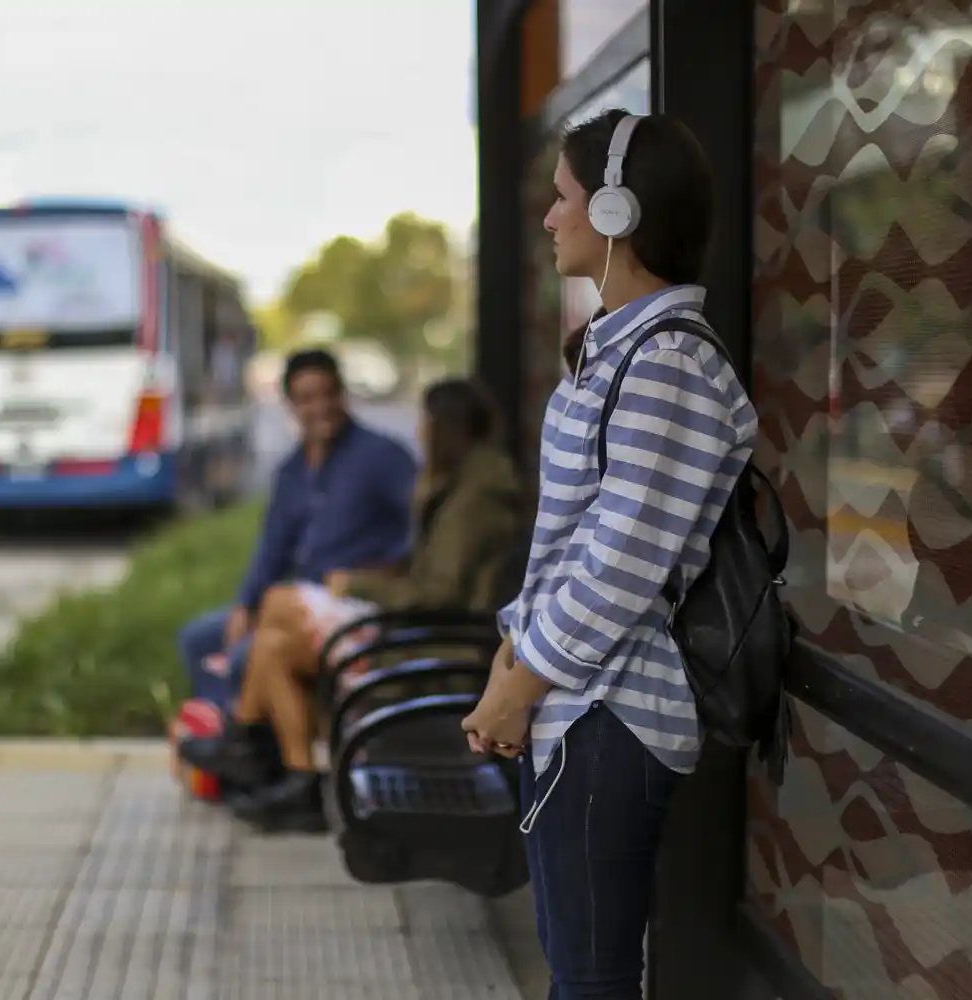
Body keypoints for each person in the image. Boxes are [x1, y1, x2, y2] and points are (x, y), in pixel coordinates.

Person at [459, 109, 757, 999]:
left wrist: (520, 681)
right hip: (577, 701)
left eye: (562, 198)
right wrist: (512, 661)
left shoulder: (664, 363)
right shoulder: (621, 351)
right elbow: (575, 543)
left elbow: (621, 561)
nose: (550, 219)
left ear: (619, 210)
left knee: (591, 976)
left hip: (609, 713)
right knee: (576, 963)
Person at [180, 378, 525, 831]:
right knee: (270, 640)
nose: (419, 432)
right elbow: (275, 547)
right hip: (417, 625)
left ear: (447, 428)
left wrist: (360, 586)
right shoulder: (461, 483)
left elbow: (440, 591)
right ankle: (295, 778)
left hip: (435, 644)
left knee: (278, 613)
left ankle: (245, 742)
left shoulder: (475, 497)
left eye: (425, 421)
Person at [177, 348, 416, 731]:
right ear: (290, 404)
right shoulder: (291, 471)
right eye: (307, 398)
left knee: (244, 656)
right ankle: (227, 739)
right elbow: (272, 547)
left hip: (351, 604)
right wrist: (245, 604)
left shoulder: (382, 457)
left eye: (328, 394)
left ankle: (249, 747)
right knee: (199, 637)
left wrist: (389, 569)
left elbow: (424, 523)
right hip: (294, 601)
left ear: (342, 394)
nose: (320, 407)